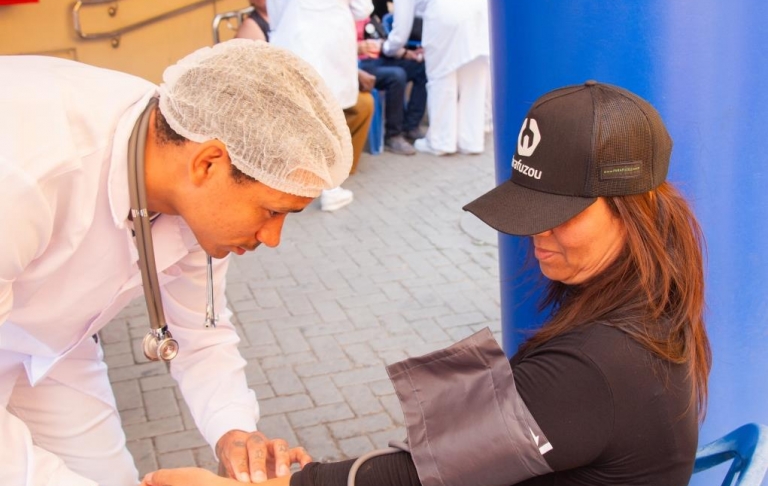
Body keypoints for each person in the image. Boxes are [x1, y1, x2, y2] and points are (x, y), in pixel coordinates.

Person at [138, 82, 712, 486]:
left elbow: (418, 475)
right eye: (530, 209)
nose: (536, 234)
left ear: (631, 211)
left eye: (561, 213)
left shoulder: (595, 369)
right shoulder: (650, 308)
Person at [0, 39, 352, 486]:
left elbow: (200, 334)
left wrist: (234, 432)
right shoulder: (25, 177)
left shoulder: (190, 178)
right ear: (209, 163)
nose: (273, 238)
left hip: (53, 346)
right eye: (271, 211)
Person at [268, 0, 375, 212]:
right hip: (332, 36)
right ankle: (330, 188)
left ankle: (295, 182)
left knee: (298, 114)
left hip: (294, 32)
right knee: (329, 116)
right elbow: (363, 7)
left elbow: (276, 9)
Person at [383, 0, 490, 156]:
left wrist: (387, 48)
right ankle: (471, 141)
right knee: (475, 83)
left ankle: (441, 141)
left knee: (441, 79)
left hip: (446, 15)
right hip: (480, 14)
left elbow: (401, 31)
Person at [356, 18, 428, 155]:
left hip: (381, 58)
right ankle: (393, 135)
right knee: (397, 76)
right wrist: (359, 47)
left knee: (421, 67)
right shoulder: (340, 17)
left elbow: (384, 42)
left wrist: (408, 54)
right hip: (361, 65)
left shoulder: (366, 16)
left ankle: (411, 126)